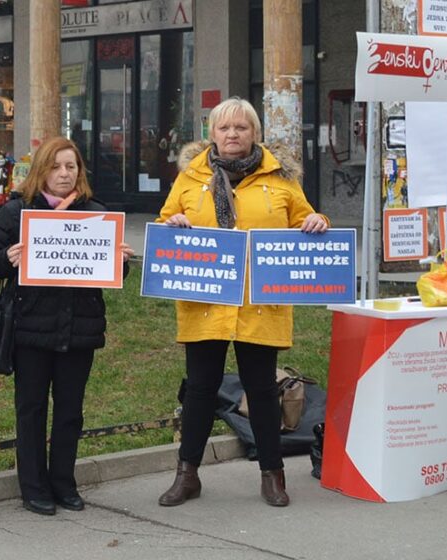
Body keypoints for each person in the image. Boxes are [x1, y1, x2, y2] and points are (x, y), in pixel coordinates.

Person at [156, 97, 329, 508]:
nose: (232, 135)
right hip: (206, 302)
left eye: (241, 128)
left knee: (263, 390)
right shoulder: (190, 178)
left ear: (255, 133)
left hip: (260, 303)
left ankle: (273, 475)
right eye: (224, 128)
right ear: (211, 134)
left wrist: (317, 221)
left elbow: (305, 219)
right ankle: (188, 475)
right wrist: (173, 223)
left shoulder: (280, 178)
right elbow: (165, 221)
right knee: (199, 390)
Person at [0, 136, 133, 516]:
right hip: (30, 328)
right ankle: (33, 487)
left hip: (79, 329)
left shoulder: (97, 213)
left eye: (71, 167)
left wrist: (120, 261)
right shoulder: (17, 213)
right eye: (56, 166)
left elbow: (112, 273)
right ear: (41, 171)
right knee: (30, 409)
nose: (64, 174)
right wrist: (8, 257)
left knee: (70, 410)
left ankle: (64, 483)